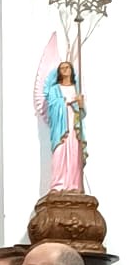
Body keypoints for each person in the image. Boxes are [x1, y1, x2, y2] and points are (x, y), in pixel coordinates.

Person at [43, 60, 86, 192]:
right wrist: (67, 101)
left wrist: (80, 104)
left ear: (72, 70)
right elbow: (51, 105)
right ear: (59, 72)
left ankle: (74, 185)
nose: (65, 70)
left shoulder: (76, 88)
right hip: (61, 128)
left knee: (74, 153)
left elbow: (82, 113)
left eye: (68, 67)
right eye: (62, 68)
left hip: (74, 126)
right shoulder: (55, 89)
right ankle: (58, 185)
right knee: (59, 153)